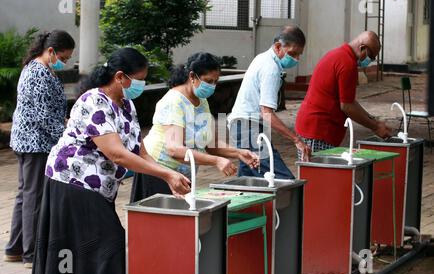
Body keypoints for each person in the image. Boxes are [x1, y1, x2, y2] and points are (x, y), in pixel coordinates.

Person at [31, 48, 191, 274]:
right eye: (138, 80)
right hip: (73, 183)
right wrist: (167, 172)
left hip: (99, 188)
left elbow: (140, 152)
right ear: (119, 77)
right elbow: (117, 154)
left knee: (91, 249)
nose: (141, 85)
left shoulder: (127, 105)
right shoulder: (94, 101)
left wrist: (168, 176)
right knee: (110, 244)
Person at [130, 52, 259, 203]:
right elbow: (175, 149)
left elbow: (211, 144)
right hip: (158, 172)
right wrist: (216, 161)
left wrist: (238, 153)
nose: (212, 86)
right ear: (192, 76)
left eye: (215, 82)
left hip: (182, 176)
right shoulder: (173, 101)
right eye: (208, 81)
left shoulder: (202, 101)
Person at [4, 30, 75, 268]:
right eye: (63, 57)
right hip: (35, 142)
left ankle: (15, 248)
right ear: (51, 51)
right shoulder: (39, 73)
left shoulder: (38, 69)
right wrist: (67, 138)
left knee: (26, 195)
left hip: (30, 140)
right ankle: (30, 253)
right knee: (33, 197)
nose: (64, 62)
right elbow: (45, 116)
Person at [227, 25, 311, 181]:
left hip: (242, 125)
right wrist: (296, 140)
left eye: (299, 55)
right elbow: (267, 113)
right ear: (278, 46)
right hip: (248, 127)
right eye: (293, 53)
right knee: (282, 180)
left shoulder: (263, 58)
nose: (296, 59)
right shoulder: (270, 68)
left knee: (248, 181)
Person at [295, 31, 392, 156]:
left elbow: (349, 101)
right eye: (371, 57)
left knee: (319, 174)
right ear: (363, 48)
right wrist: (375, 127)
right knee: (317, 174)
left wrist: (374, 121)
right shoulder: (347, 64)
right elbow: (347, 106)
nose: (370, 61)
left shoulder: (339, 54)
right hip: (317, 131)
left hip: (315, 129)